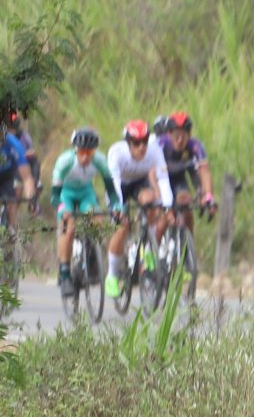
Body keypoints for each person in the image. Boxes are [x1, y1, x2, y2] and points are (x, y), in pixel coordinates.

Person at [102, 119, 169, 299]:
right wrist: (117, 208)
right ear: (128, 143)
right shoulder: (117, 153)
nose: (142, 147)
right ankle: (112, 275)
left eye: (145, 141)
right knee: (122, 226)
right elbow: (114, 183)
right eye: (137, 143)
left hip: (139, 182)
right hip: (119, 186)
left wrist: (167, 205)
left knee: (152, 203)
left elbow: (163, 179)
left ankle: (148, 250)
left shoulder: (154, 150)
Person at [50, 126, 120, 288]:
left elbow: (111, 190)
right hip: (65, 194)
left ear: (94, 151)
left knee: (97, 219)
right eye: (81, 151)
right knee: (68, 227)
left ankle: (91, 256)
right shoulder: (65, 161)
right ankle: (65, 272)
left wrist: (116, 205)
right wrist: (62, 209)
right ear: (75, 150)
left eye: (89, 152)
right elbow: (54, 196)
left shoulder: (100, 160)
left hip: (86, 193)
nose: (85, 157)